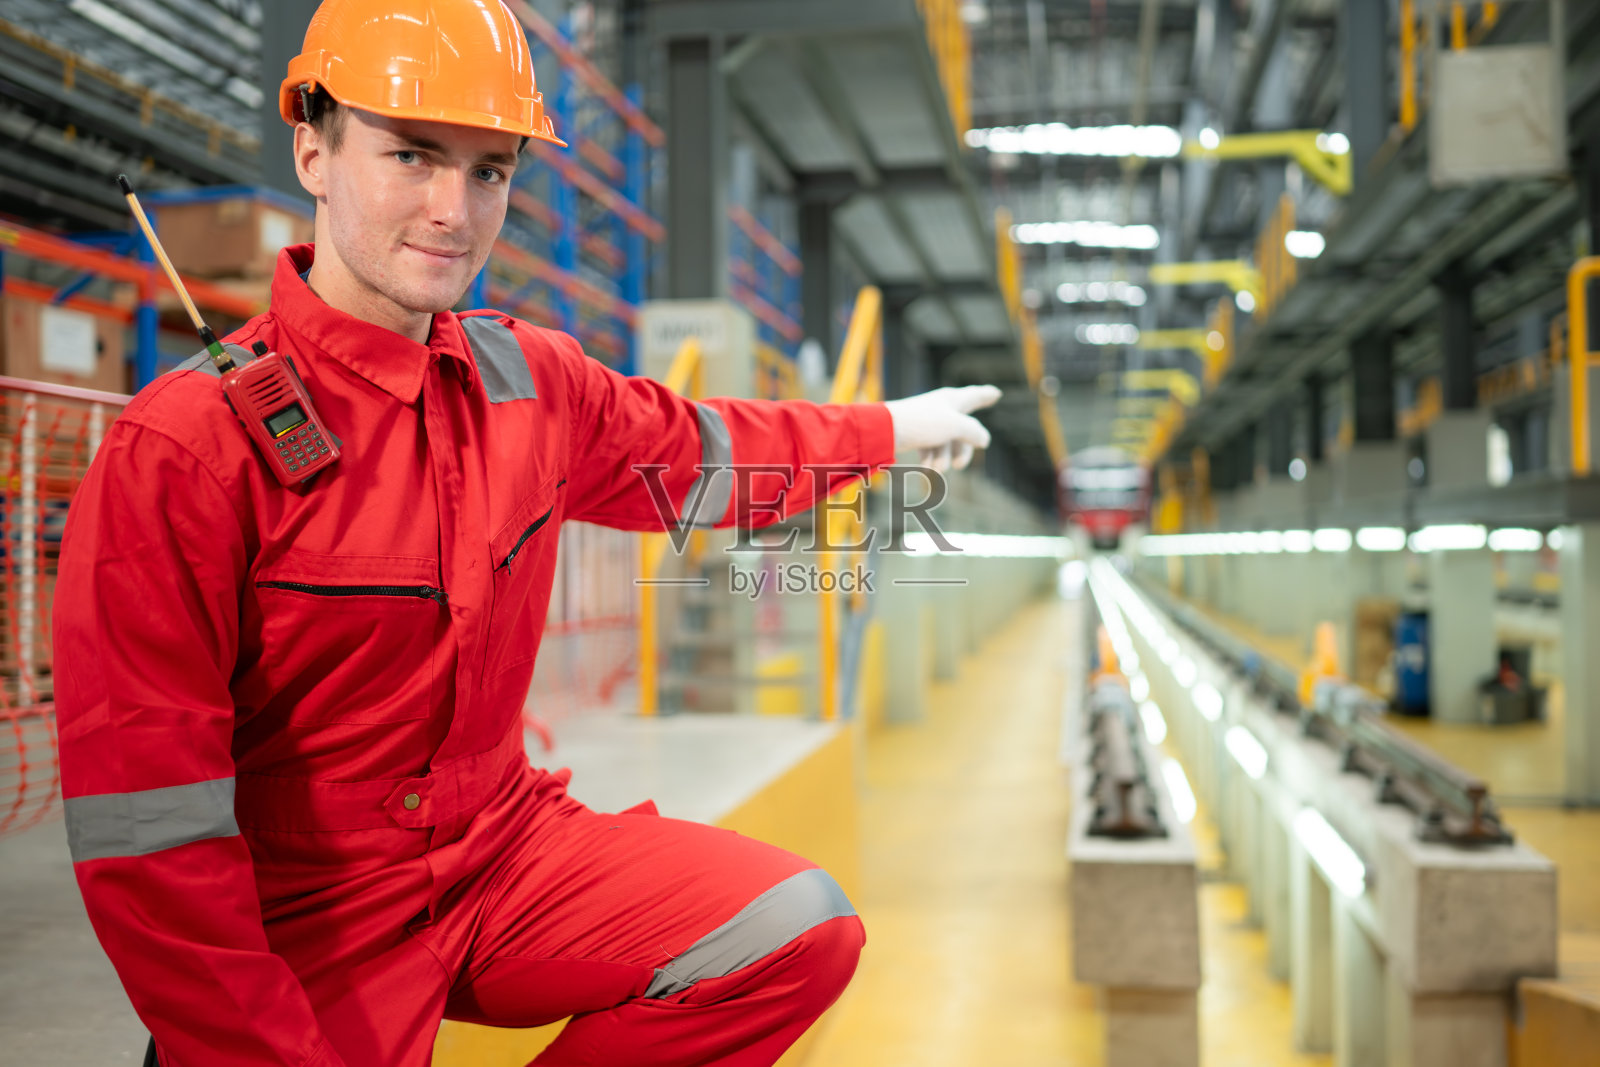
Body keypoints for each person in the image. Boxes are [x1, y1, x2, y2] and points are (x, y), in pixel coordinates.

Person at [53, 2, 999, 1064]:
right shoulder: (183, 449)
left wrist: (882, 433)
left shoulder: (525, 384)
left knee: (791, 927)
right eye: (410, 155)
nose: (453, 209)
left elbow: (705, 452)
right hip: (311, 909)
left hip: (499, 849)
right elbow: (153, 835)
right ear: (312, 151)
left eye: (489, 170)